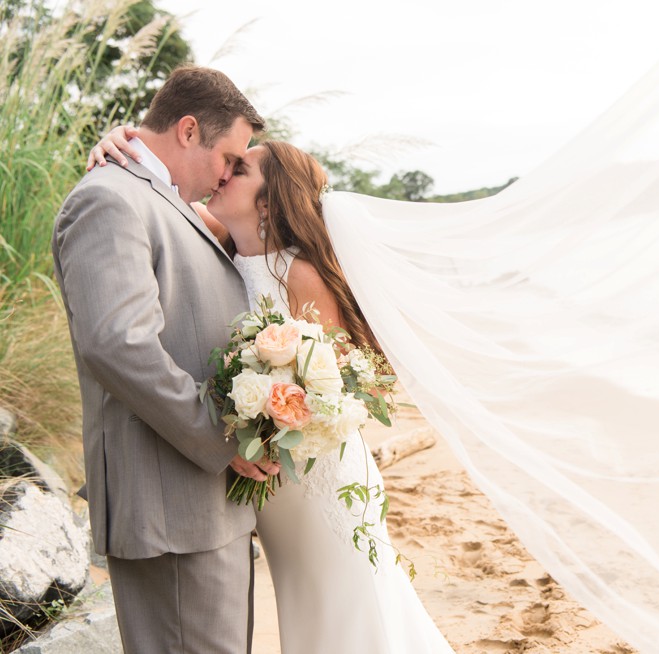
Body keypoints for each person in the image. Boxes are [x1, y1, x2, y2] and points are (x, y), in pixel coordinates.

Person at [90, 132, 456, 653]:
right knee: (307, 610)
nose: (222, 174)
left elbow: (341, 383)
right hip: (273, 486)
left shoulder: (299, 272)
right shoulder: (220, 241)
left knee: (350, 608)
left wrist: (274, 419)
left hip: (317, 478)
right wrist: (122, 142)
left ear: (269, 200)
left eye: (239, 170)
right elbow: (162, 197)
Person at [54, 66, 278, 654]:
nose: (229, 172)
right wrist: (222, 438)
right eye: (228, 156)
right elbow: (117, 344)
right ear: (186, 131)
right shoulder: (110, 198)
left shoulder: (161, 198)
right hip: (169, 510)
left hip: (203, 508)